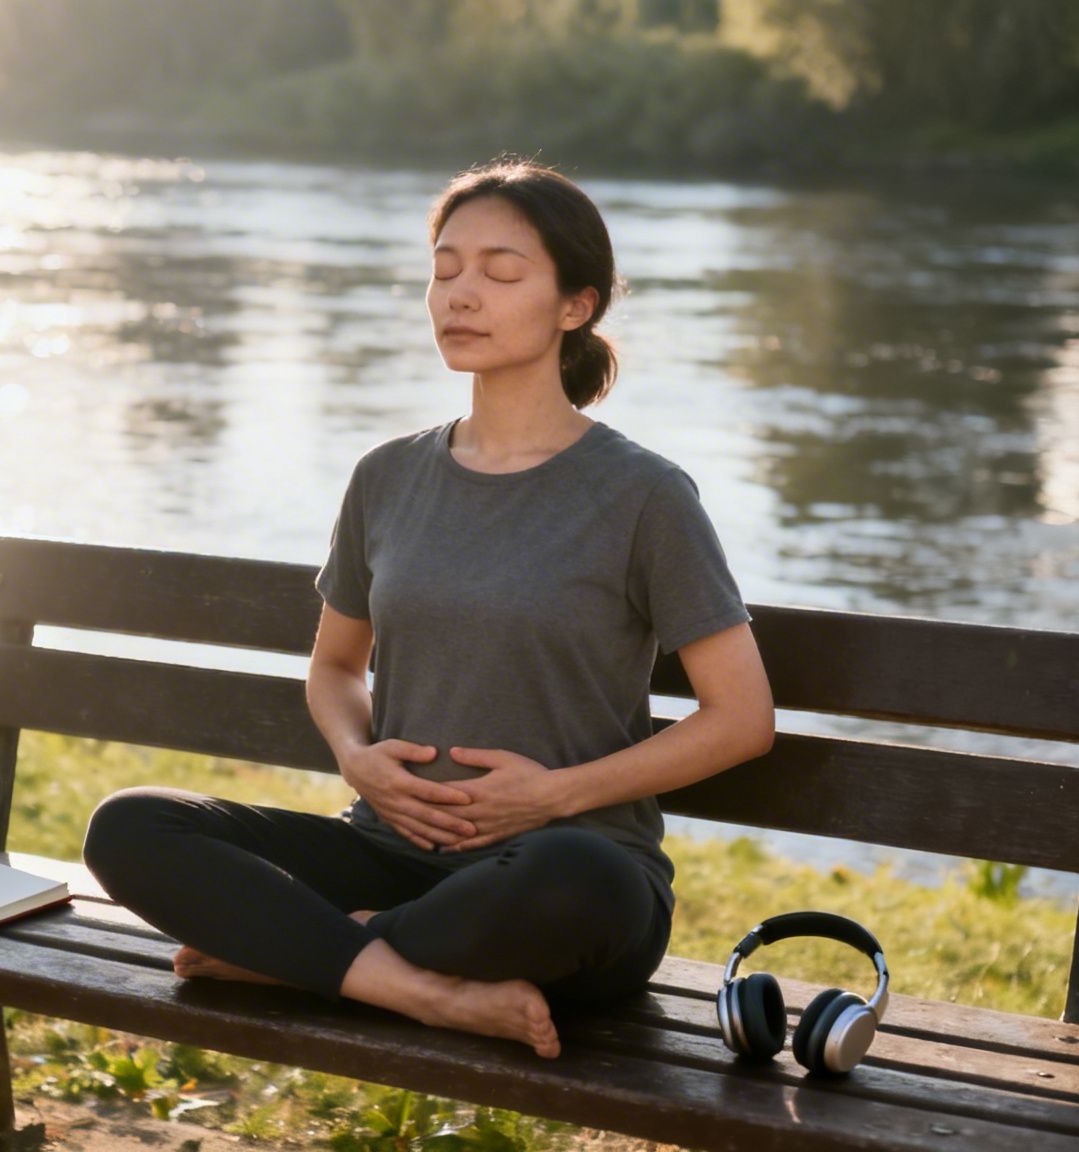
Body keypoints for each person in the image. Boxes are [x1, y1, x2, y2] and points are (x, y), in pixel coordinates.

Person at [82, 159, 774, 1059]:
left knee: (582, 877)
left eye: (501, 271)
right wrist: (357, 758)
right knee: (131, 825)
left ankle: (302, 954)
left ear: (577, 305)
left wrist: (551, 797)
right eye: (445, 270)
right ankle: (417, 988)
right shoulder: (388, 475)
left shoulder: (646, 496)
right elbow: (335, 668)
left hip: (553, 882)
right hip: (388, 850)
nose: (462, 294)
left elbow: (742, 718)